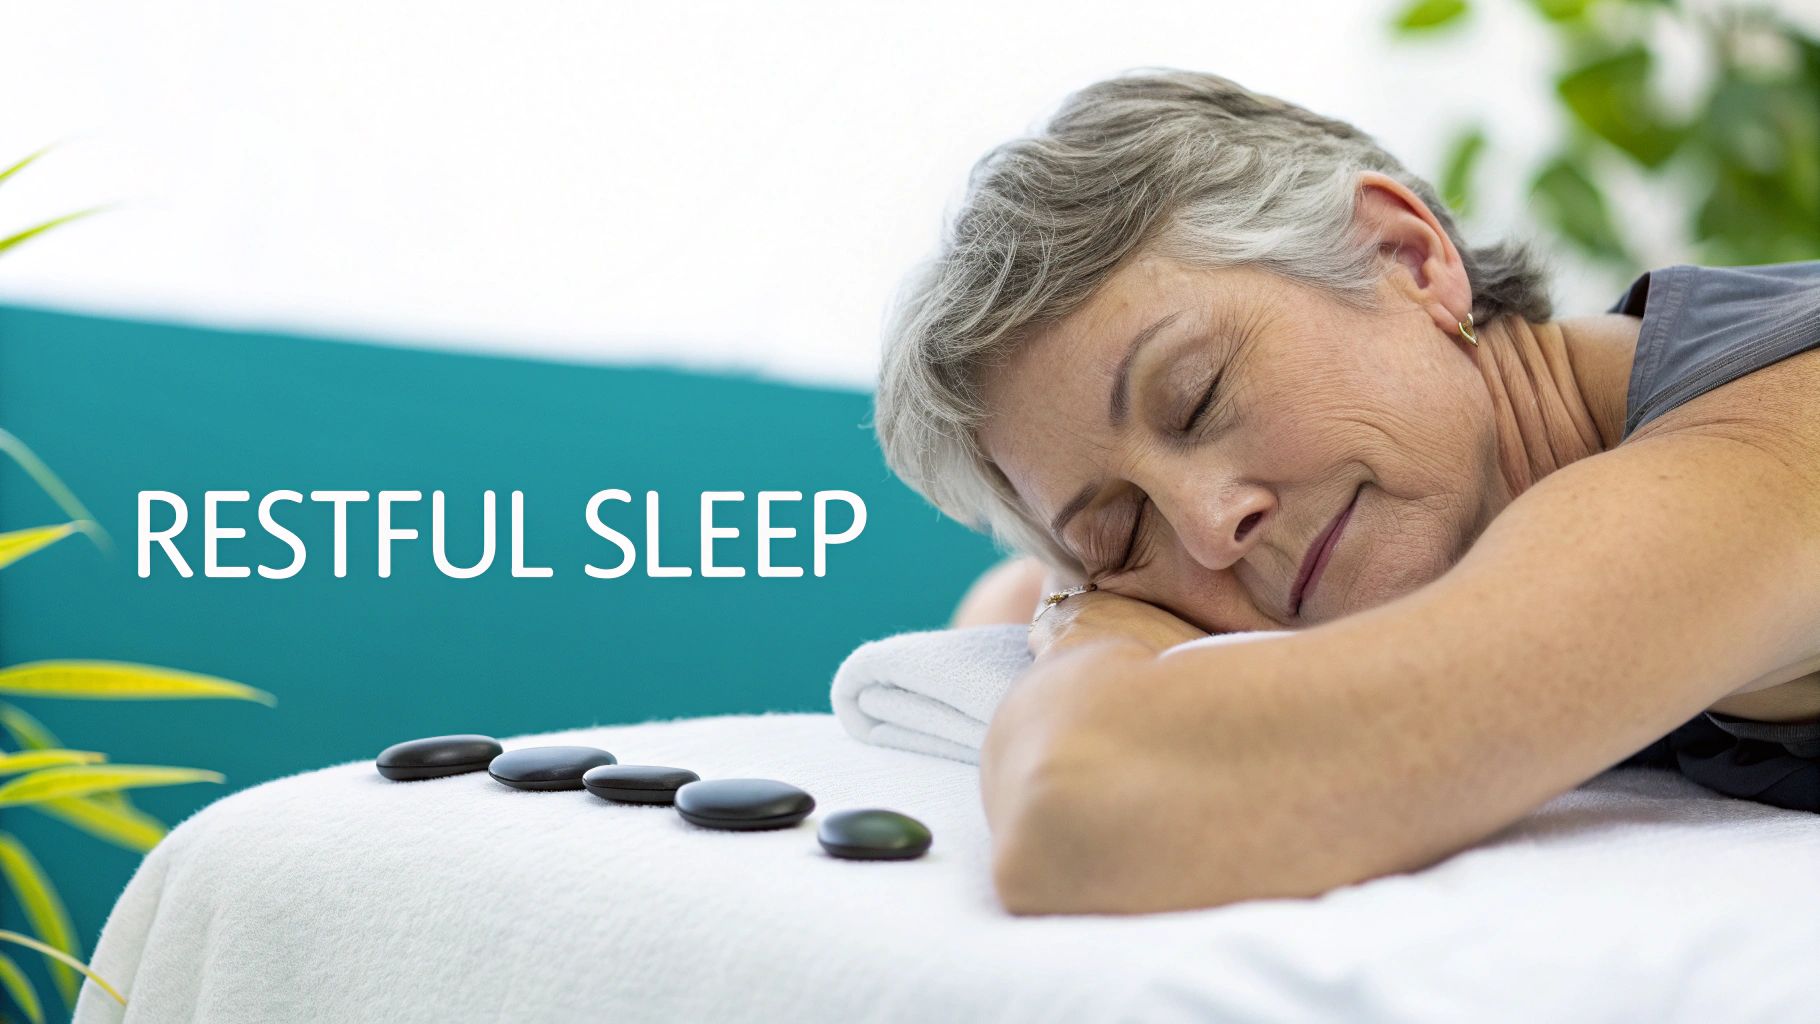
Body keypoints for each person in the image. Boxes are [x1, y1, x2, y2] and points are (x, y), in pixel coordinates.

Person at [873, 69, 1820, 915]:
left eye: (1198, 396)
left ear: (1409, 258)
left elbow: (1079, 811)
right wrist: (1090, 590)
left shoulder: (1767, 436)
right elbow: (1000, 603)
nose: (1209, 528)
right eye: (1121, 531)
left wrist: (1092, 632)